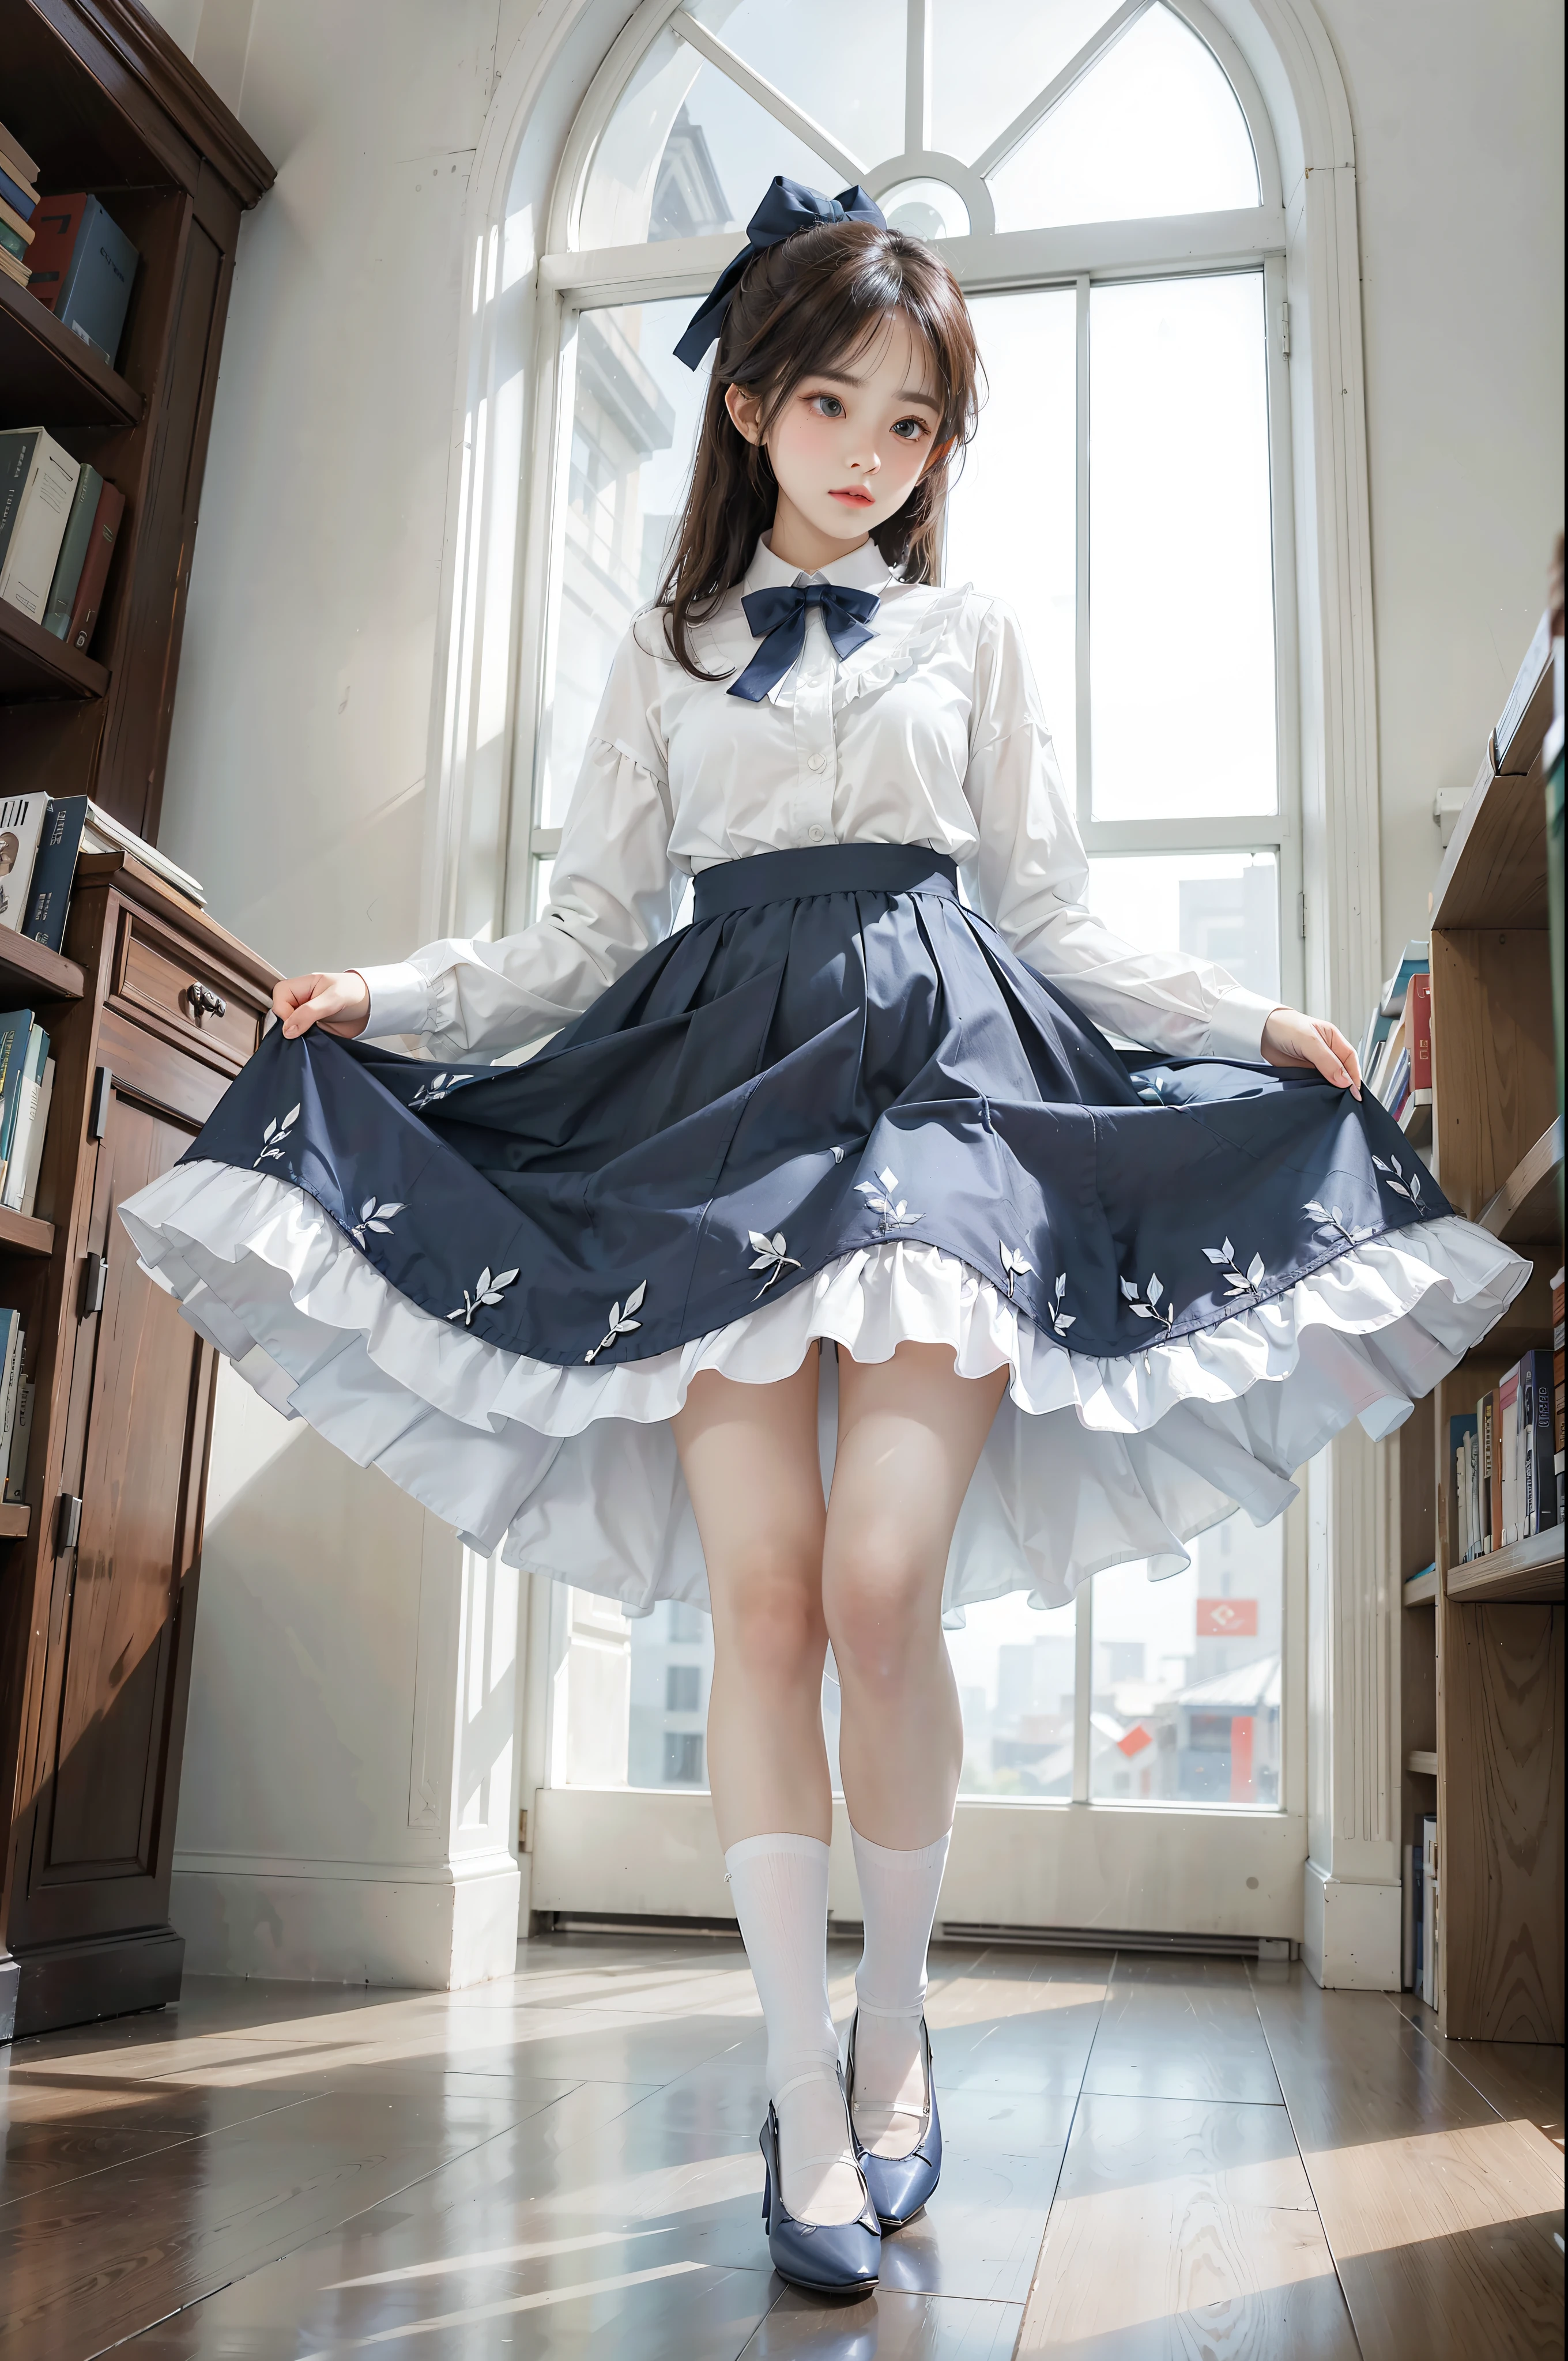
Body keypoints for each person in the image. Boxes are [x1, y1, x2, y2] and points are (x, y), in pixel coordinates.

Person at [120, 179, 1528, 2297]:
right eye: (841, 405)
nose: (877, 453)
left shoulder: (974, 641)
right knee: (762, 1602)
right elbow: (582, 937)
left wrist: (1254, 1024)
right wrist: (389, 1004)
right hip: (710, 1121)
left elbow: (1048, 909)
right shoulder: (664, 651)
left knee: (884, 1579)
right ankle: (802, 2093)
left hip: (948, 1100)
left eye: (918, 422)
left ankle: (892, 2025)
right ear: (756, 407)